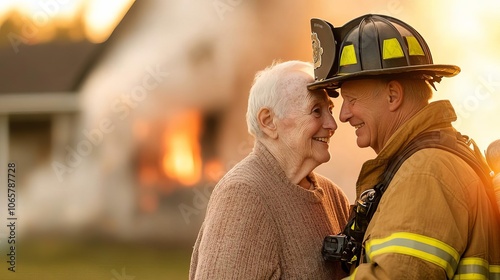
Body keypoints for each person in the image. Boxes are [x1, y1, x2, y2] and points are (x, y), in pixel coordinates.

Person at [307, 14, 500, 279]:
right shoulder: (428, 161)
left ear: (393, 95)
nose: (343, 115)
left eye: (351, 99)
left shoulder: (426, 173)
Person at [189, 60, 351, 279]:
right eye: (316, 111)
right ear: (268, 122)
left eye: (329, 110)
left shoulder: (334, 196)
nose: (332, 124)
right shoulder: (244, 196)